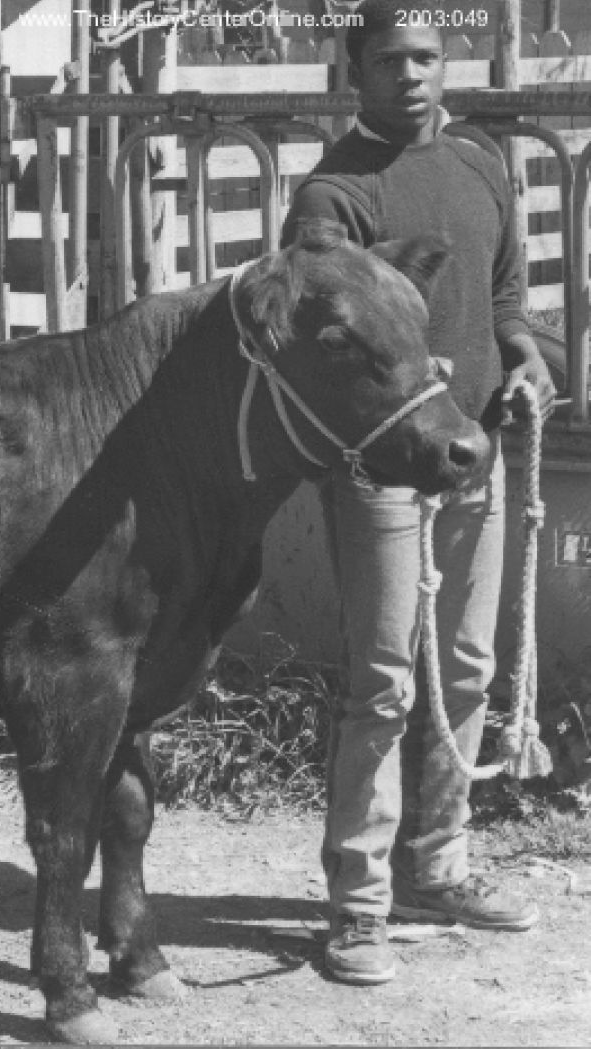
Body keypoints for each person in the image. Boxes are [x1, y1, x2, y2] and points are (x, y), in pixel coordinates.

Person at [280, 0, 558, 985]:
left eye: (427, 56)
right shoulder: (331, 197)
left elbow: (505, 302)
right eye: (391, 58)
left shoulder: (482, 163)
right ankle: (356, 904)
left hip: (473, 453)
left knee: (469, 666)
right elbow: (318, 343)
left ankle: (435, 867)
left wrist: (525, 362)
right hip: (380, 473)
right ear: (353, 68)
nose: (412, 74)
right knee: (386, 680)